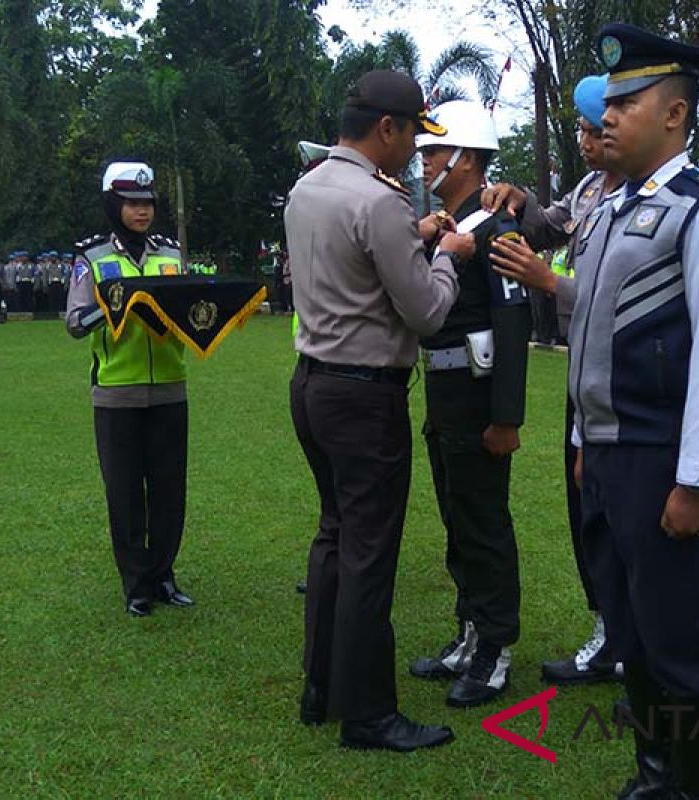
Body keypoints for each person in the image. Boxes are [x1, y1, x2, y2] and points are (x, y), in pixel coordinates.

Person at [571, 24, 699, 799]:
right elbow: (589, 338)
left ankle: (690, 785)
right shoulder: (612, 209)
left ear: (675, 115)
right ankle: (654, 773)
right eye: (606, 102)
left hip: (660, 457)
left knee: (682, 643)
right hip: (608, 453)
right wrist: (583, 437)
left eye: (627, 100)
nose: (608, 115)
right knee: (631, 631)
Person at [286, 70, 470, 752]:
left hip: (312, 384)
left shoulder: (309, 187)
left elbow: (351, 263)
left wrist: (413, 233)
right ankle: (368, 714)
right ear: (386, 128)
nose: (414, 148)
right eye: (414, 133)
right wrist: (446, 255)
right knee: (369, 554)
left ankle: (321, 689)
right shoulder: (380, 201)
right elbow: (424, 310)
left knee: (334, 537)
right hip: (364, 397)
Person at [484, 73, 625, 688]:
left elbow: (628, 301)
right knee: (583, 507)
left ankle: (633, 640)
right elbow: (548, 227)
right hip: (581, 372)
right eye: (583, 130)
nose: (587, 141)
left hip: (627, 377)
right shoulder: (593, 187)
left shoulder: (656, 200)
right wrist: (518, 201)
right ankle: (608, 627)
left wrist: (551, 285)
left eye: (595, 130)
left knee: (624, 510)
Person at [405, 100, 532, 708]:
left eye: (435, 150)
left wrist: (507, 417)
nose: (425, 160)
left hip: (481, 403)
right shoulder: (449, 228)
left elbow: (512, 324)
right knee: (458, 521)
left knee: (484, 524)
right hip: (445, 395)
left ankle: (496, 648)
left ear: (466, 158)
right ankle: (470, 629)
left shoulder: (495, 229)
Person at [65, 160, 195, 617]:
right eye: (132, 203)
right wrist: (118, 305)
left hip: (169, 388)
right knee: (124, 492)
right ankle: (136, 583)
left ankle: (164, 575)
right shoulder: (93, 257)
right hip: (117, 390)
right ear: (113, 205)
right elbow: (75, 322)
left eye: (147, 203)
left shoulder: (171, 253)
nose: (142, 212)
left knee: (168, 489)